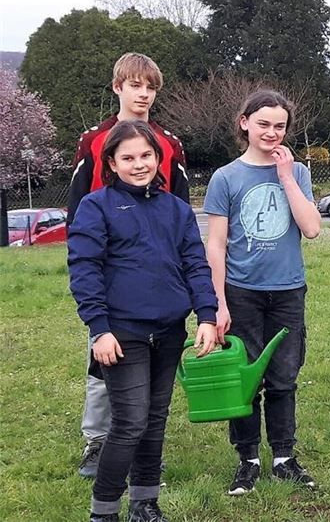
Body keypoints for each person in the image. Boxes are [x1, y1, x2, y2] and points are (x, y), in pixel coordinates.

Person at [67, 120, 218, 522]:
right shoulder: (96, 206)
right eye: (128, 158)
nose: (139, 164)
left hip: (168, 331)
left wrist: (206, 315)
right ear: (112, 163)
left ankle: (145, 504)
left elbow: (195, 265)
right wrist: (98, 328)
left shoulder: (177, 209)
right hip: (121, 334)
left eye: (146, 156)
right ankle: (104, 512)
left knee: (154, 421)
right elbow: (84, 269)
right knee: (130, 423)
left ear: (158, 159)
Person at [69, 52, 190, 479]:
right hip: (106, 267)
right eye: (134, 85)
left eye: (150, 87)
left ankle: (142, 446)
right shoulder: (93, 140)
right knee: (102, 358)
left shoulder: (169, 143)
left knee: (150, 377)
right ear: (118, 87)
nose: (142, 94)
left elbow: (178, 208)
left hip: (155, 274)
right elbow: (77, 205)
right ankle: (97, 440)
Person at [203, 90, 322, 495]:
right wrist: (216, 302)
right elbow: (216, 244)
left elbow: (312, 228)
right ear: (245, 123)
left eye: (280, 126)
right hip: (242, 292)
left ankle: (285, 457)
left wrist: (286, 177)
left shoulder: (298, 172)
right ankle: (248, 459)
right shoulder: (225, 178)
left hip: (288, 290)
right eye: (263, 124)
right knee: (245, 378)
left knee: (284, 377)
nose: (272, 132)